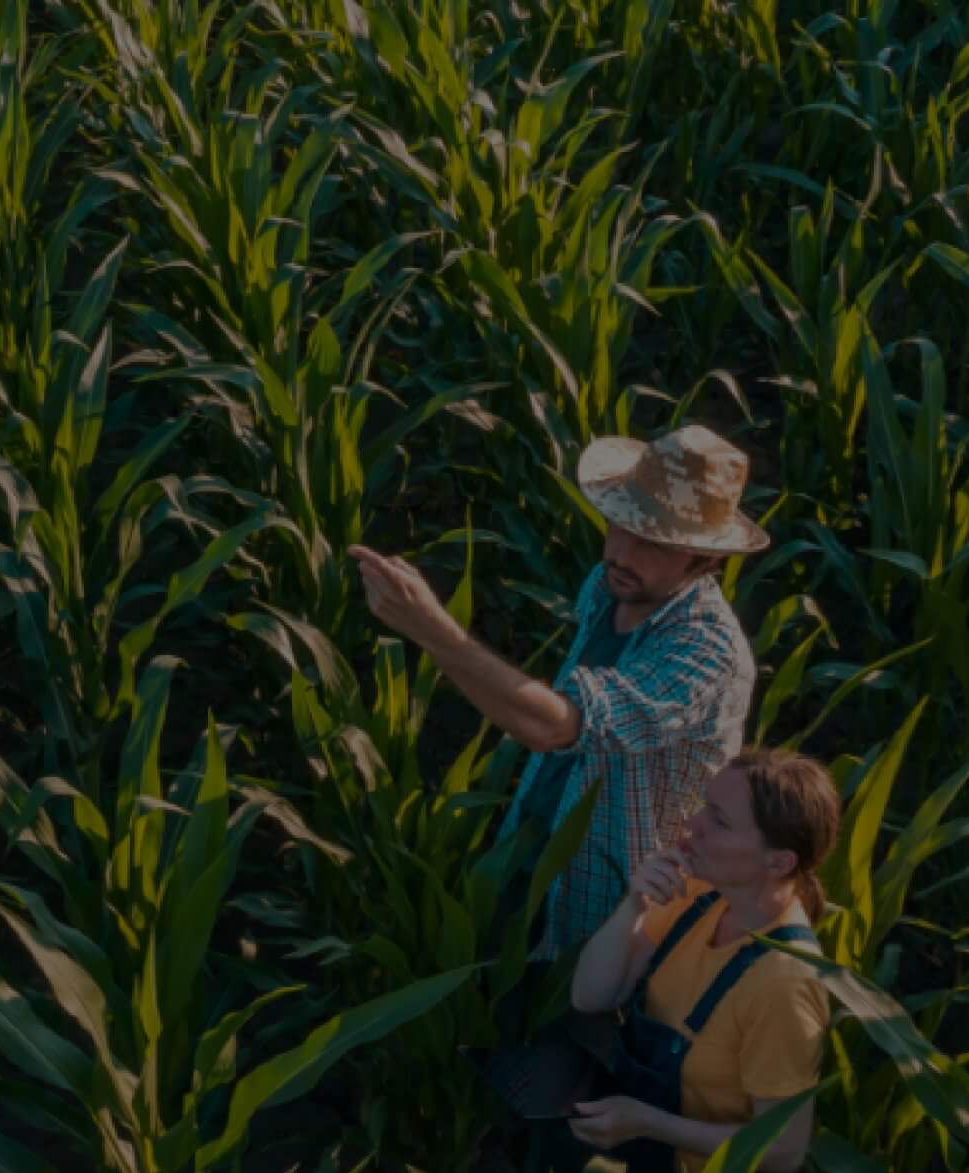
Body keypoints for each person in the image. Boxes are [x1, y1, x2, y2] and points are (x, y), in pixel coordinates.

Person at [349, 424, 766, 959]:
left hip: (621, 909)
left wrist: (434, 630)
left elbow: (556, 727)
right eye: (620, 524)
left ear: (705, 559)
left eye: (653, 543)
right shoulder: (609, 586)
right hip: (536, 843)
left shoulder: (707, 653)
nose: (622, 552)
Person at [554, 748, 840, 1171]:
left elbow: (782, 1150)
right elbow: (591, 996)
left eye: (719, 821)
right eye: (705, 805)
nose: (691, 825)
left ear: (779, 862)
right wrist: (633, 906)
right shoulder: (696, 894)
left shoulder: (784, 984)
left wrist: (650, 1123)